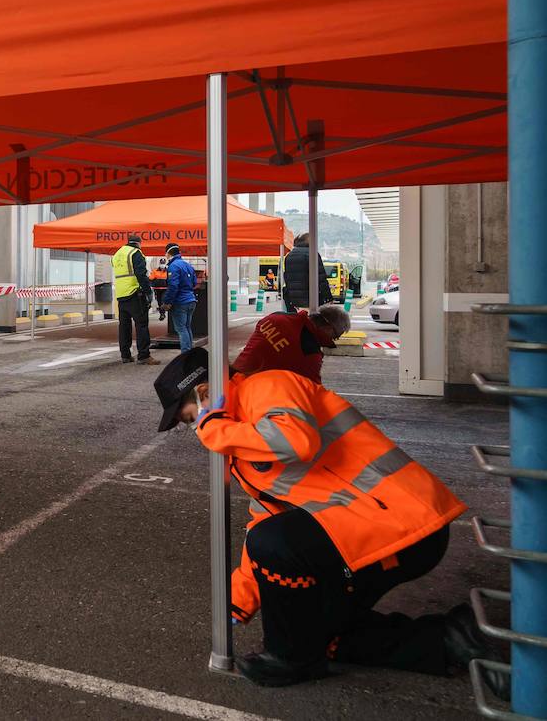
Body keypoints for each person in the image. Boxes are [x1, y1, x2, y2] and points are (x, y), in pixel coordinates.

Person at [152, 349, 503, 691]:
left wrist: (214, 428)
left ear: (203, 393)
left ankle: (290, 658)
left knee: (279, 557)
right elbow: (266, 517)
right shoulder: (242, 438)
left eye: (188, 418)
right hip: (368, 528)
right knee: (323, 637)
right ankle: (450, 638)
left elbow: (296, 441)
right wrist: (240, 596)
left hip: (403, 523)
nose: (193, 428)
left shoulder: (268, 387)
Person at [233, 305, 351, 384]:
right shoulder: (309, 354)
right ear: (328, 328)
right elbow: (313, 391)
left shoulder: (276, 317)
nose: (334, 339)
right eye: (336, 335)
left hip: (231, 378)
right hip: (251, 396)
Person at [112, 234, 158, 365]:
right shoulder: (136, 253)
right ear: (139, 243)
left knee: (124, 326)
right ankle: (144, 356)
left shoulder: (118, 253)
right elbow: (141, 274)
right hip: (134, 293)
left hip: (121, 295)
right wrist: (149, 292)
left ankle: (125, 355)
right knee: (141, 324)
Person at [159, 243, 197, 352]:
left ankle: (185, 354)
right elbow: (194, 282)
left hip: (181, 302)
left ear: (168, 253)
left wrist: (167, 302)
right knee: (187, 327)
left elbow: (173, 286)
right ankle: (190, 353)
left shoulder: (173, 266)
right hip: (191, 300)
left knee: (181, 329)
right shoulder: (187, 265)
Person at [282, 233, 334, 312]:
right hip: (311, 299)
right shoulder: (312, 254)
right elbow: (320, 278)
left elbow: (286, 278)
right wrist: (328, 297)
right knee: (312, 321)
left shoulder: (289, 256)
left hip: (294, 301)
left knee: (299, 322)